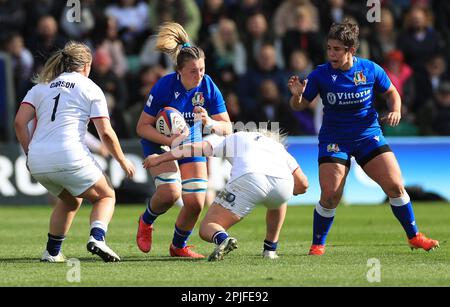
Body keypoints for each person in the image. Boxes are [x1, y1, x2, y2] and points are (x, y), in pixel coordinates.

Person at [287, 21, 439, 256]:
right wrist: (297, 96)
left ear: (351, 50)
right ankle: (318, 244)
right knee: (330, 195)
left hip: (368, 135)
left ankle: (414, 236)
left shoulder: (369, 69)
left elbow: (391, 93)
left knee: (396, 186)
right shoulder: (321, 74)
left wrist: (396, 109)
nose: (331, 54)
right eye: (329, 48)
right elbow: (299, 106)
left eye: (337, 49)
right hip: (334, 139)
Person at [14, 41, 136, 263]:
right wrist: (122, 160)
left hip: (38, 160)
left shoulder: (41, 86)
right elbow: (106, 133)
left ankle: (52, 252)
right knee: (107, 195)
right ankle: (97, 238)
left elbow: (19, 123)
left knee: (71, 201)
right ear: (86, 66)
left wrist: (30, 154)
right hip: (70, 154)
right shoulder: (90, 87)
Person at [135, 22, 231, 258]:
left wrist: (210, 124)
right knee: (170, 194)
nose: (199, 75)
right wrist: (169, 140)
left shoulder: (208, 86)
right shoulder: (164, 86)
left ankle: (178, 246)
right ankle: (146, 221)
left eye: (202, 69)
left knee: (197, 202)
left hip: (191, 142)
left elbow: (228, 127)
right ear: (179, 71)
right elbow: (141, 127)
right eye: (193, 71)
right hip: (159, 141)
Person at [142, 130, 309, 261]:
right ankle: (270, 250)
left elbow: (194, 148)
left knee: (209, 226)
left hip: (250, 177)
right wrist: (288, 191)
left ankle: (223, 239)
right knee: (279, 201)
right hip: (283, 181)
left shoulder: (235, 137)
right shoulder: (278, 148)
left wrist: (161, 158)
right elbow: (303, 184)